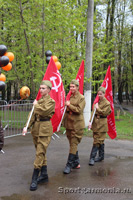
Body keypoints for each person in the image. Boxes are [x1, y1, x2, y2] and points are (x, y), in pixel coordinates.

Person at [22, 80, 55, 191]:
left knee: (40, 153)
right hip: (36, 129)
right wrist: (27, 126)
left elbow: (45, 112)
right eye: (40, 88)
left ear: (49, 90)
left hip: (45, 129)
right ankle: (44, 175)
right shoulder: (38, 101)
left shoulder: (51, 101)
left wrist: (36, 106)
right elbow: (32, 115)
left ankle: (34, 178)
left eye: (43, 88)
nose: (41, 90)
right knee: (40, 152)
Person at [62, 79, 86, 174]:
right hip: (69, 124)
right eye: (70, 87)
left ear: (77, 87)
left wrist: (69, 105)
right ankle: (76, 163)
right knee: (72, 144)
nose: (71, 88)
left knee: (73, 144)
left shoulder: (81, 98)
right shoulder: (69, 96)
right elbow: (66, 110)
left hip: (77, 125)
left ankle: (69, 165)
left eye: (73, 86)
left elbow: (79, 110)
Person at [88, 86, 111, 166]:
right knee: (98, 139)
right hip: (96, 123)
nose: (99, 96)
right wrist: (90, 121)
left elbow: (104, 112)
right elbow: (93, 113)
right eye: (98, 94)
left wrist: (98, 108)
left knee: (97, 140)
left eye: (101, 94)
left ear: (104, 94)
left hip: (102, 123)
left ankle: (92, 158)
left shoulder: (107, 103)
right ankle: (101, 156)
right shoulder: (96, 102)